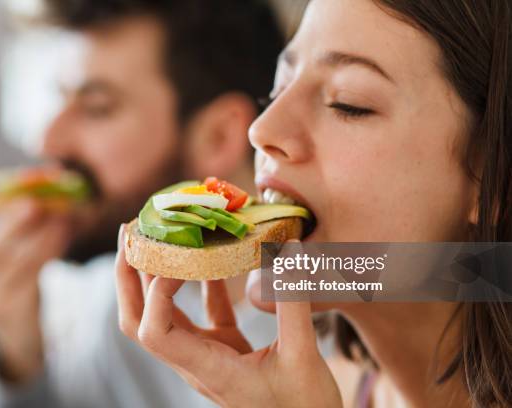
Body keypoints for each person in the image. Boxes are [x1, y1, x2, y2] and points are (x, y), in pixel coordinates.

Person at [115, 0, 512, 407]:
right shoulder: (320, 390)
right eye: (278, 89)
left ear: (493, 180)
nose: (261, 129)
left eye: (349, 103)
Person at [0, 0, 285, 406]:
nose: (48, 141)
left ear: (218, 135)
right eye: (60, 98)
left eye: (97, 108)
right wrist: (19, 349)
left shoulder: (356, 285)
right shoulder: (115, 308)